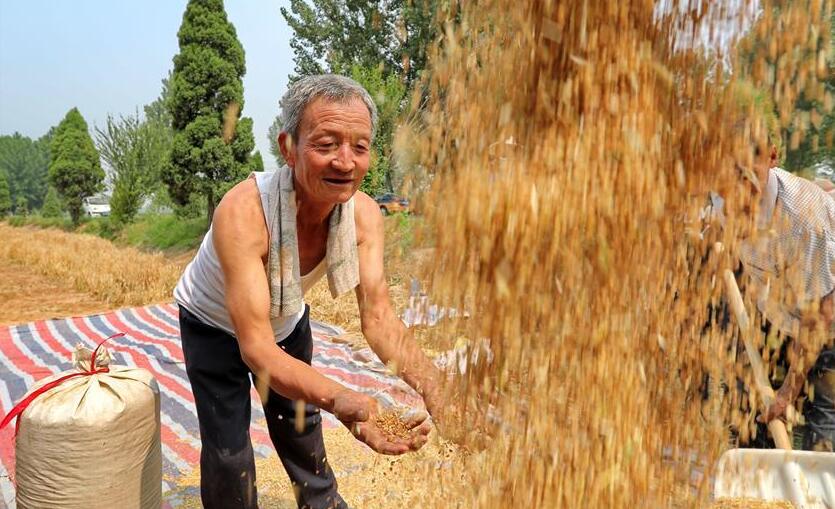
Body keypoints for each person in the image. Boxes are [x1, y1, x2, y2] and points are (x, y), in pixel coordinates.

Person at [174, 75, 446, 509]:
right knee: (229, 452)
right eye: (326, 144)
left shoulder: (363, 217)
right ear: (288, 147)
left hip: (286, 319)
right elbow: (258, 352)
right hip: (212, 324)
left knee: (301, 430)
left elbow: (378, 320)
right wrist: (342, 398)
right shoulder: (244, 213)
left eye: (359, 146)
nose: (345, 162)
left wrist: (436, 389)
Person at [731, 136, 835, 451]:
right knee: (752, 410)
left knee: (824, 418)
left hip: (826, 320)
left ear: (772, 158)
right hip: (779, 310)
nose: (738, 188)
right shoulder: (722, 198)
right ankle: (751, 493)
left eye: (748, 174)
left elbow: (821, 315)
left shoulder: (802, 220)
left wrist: (788, 392)